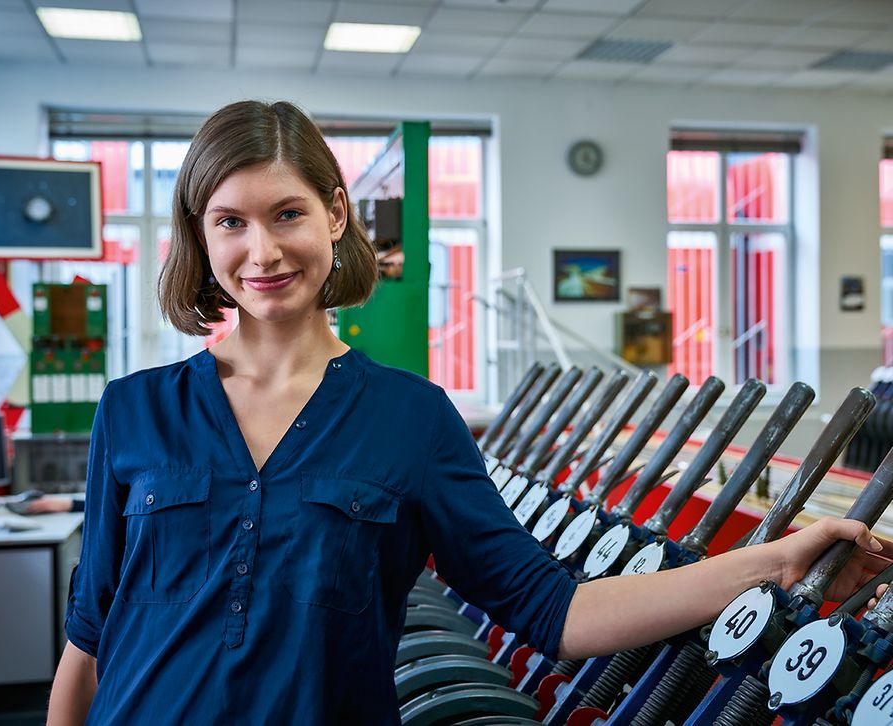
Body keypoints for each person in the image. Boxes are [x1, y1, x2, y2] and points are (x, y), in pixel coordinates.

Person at [47, 100, 893, 725]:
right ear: (201, 236)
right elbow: (87, 645)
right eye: (230, 221)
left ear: (336, 216)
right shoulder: (134, 412)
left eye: (288, 213)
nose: (261, 250)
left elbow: (555, 614)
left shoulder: (410, 420)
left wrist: (772, 564)